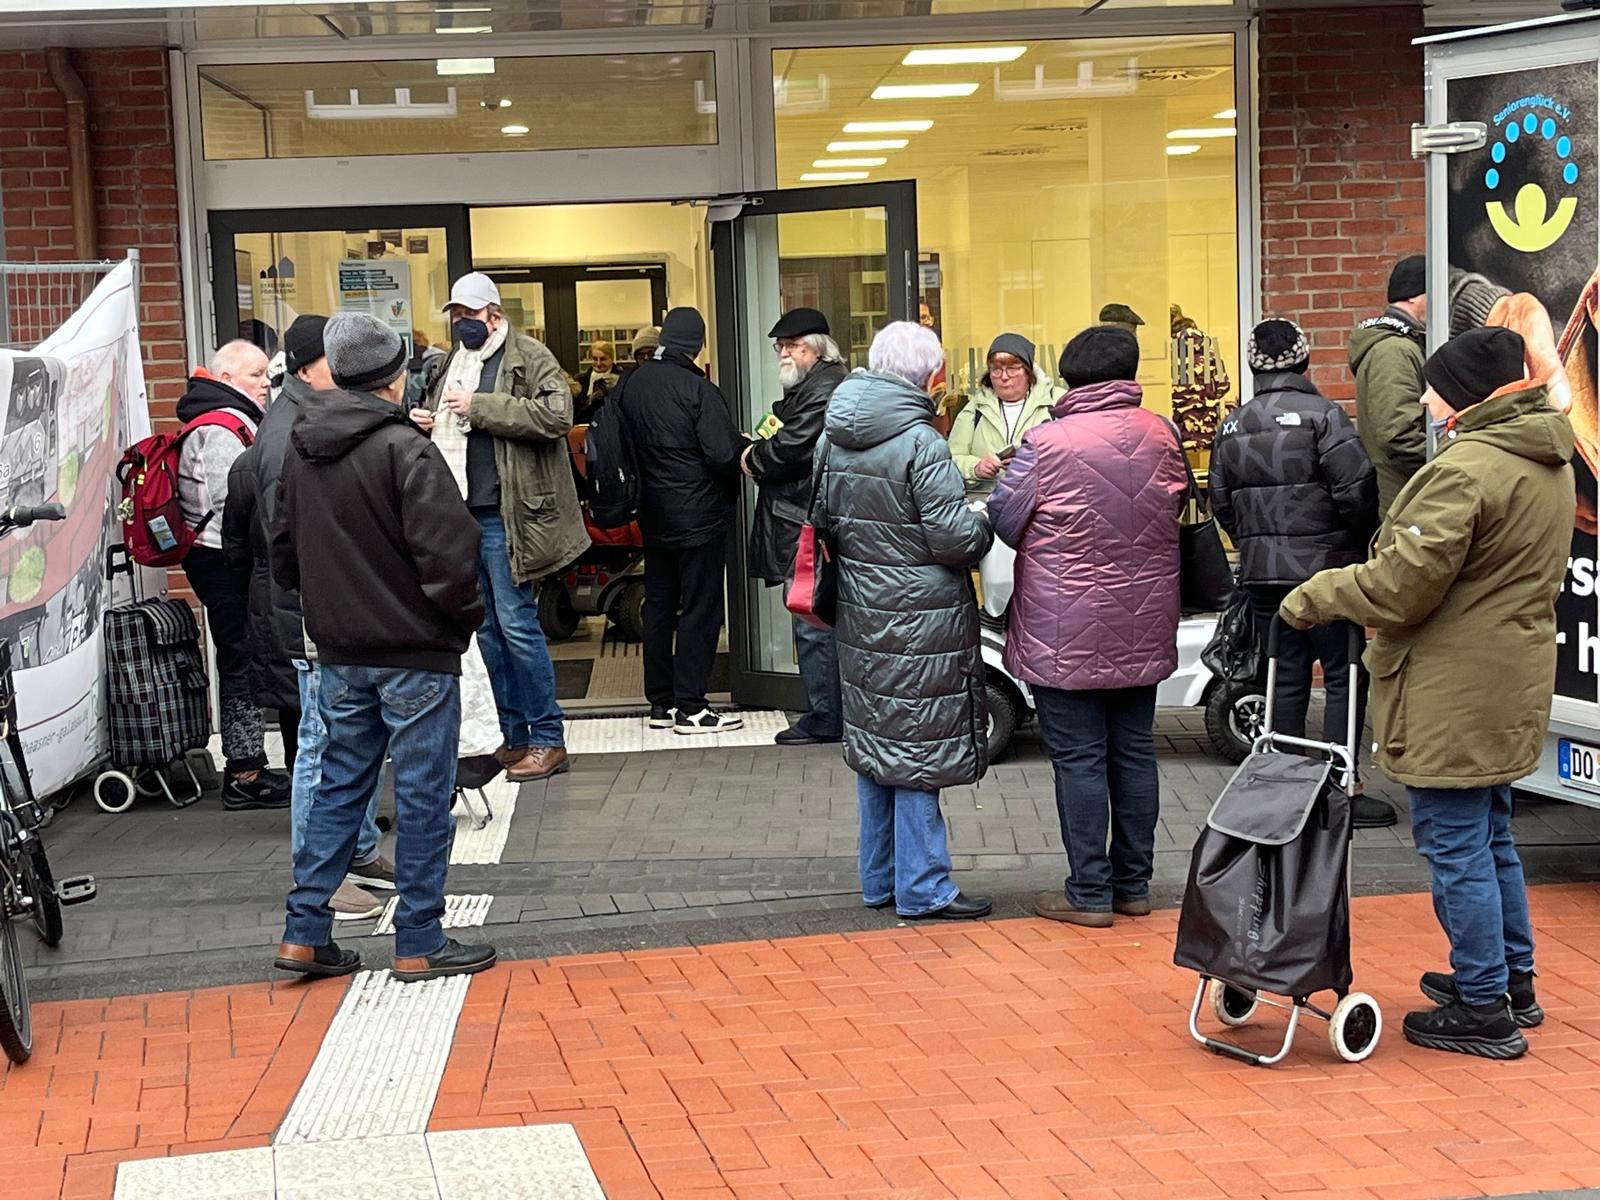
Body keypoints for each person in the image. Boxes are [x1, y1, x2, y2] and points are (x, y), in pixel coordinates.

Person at [1282, 326, 1571, 1059]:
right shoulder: (1546, 457)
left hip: (1453, 686)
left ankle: (1484, 1006)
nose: (1423, 400)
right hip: (1507, 678)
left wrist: (1315, 595)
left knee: (1455, 845)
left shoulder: (1466, 470)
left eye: (1434, 388)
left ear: (1468, 397)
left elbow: (1400, 587)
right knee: (1492, 834)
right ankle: (1510, 981)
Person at [272, 312, 494, 984]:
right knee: (423, 794)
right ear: (396, 377)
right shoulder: (406, 450)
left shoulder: (301, 447)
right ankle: (419, 938)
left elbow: (282, 552)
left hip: (340, 648)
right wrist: (459, 625)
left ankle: (305, 931)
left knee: (341, 786)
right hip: (413, 649)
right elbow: (451, 557)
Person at [987, 325, 1186, 926]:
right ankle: (1133, 886)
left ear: (1069, 378)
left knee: (1078, 759)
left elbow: (1004, 518)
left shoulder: (1046, 442)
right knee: (1135, 753)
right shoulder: (1163, 433)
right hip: (1143, 619)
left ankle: (1089, 892)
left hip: (1062, 626)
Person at [813, 321, 993, 921]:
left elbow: (821, 517)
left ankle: (879, 879)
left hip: (860, 608)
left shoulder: (834, 434)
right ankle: (923, 887)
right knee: (917, 747)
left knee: (875, 742)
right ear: (932, 375)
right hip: (922, 616)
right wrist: (985, 522)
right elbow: (954, 540)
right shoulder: (922, 440)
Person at [223, 315, 392, 922]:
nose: (343, 369)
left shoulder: (305, 416)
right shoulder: (290, 432)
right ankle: (317, 874)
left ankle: (359, 850)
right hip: (308, 614)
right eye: (331, 359)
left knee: (352, 735)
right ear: (304, 368)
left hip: (321, 608)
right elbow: (285, 540)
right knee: (320, 743)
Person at [1208, 320, 1392, 828]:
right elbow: (1357, 491)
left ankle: (1287, 787)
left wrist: (1253, 544)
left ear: (1253, 366)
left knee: (1284, 676)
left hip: (1263, 575)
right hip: (1327, 572)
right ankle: (1339, 788)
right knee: (1343, 674)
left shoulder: (1232, 425)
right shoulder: (1324, 416)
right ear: (1304, 361)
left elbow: (1220, 502)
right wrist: (1357, 545)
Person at [415, 272, 588, 782]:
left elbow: (557, 416)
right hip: (461, 514)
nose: (462, 322)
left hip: (509, 516)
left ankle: (547, 738)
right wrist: (424, 421)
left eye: (470, 314)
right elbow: (445, 422)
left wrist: (481, 406)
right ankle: (513, 737)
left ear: (494, 314)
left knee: (516, 625)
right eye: (456, 314)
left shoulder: (530, 356)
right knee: (486, 629)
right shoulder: (450, 362)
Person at [615, 307, 748, 734]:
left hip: (652, 514)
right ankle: (692, 707)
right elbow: (721, 454)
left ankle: (661, 703)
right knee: (699, 608)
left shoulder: (631, 385)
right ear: (698, 345)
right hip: (700, 516)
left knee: (658, 606)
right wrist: (744, 445)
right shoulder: (699, 389)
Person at [178, 340, 290, 811]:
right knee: (241, 658)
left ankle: (248, 766)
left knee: (244, 655)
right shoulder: (222, 426)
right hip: (223, 560)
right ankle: (244, 772)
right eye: (255, 374)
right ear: (226, 379)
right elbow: (233, 505)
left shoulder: (227, 418)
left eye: (266, 374)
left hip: (220, 557)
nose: (266, 383)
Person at [742, 307, 847, 746]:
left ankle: (826, 717)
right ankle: (829, 712)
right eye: (781, 347)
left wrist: (752, 458)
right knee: (813, 618)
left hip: (806, 523)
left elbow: (791, 448)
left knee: (812, 620)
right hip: (801, 518)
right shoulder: (812, 384)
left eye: (793, 346)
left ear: (817, 350)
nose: (784, 353)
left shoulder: (825, 388)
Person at [1351, 254, 1429, 520]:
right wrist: (1447, 462)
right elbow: (1398, 435)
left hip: (1404, 497)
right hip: (1405, 500)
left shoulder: (1398, 344)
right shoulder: (1394, 350)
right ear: (1413, 297)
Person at [946, 333, 1061, 494]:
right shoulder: (975, 408)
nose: (1004, 376)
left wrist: (1034, 463)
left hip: (1041, 500)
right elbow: (950, 459)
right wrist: (975, 467)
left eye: (1012, 369)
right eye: (996, 369)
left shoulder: (1055, 403)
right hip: (986, 501)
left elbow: (1076, 456)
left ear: (1028, 371)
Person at [575, 339, 620, 426]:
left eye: (603, 359)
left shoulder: (621, 379)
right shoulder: (580, 380)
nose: (598, 364)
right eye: (595, 359)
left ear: (611, 359)